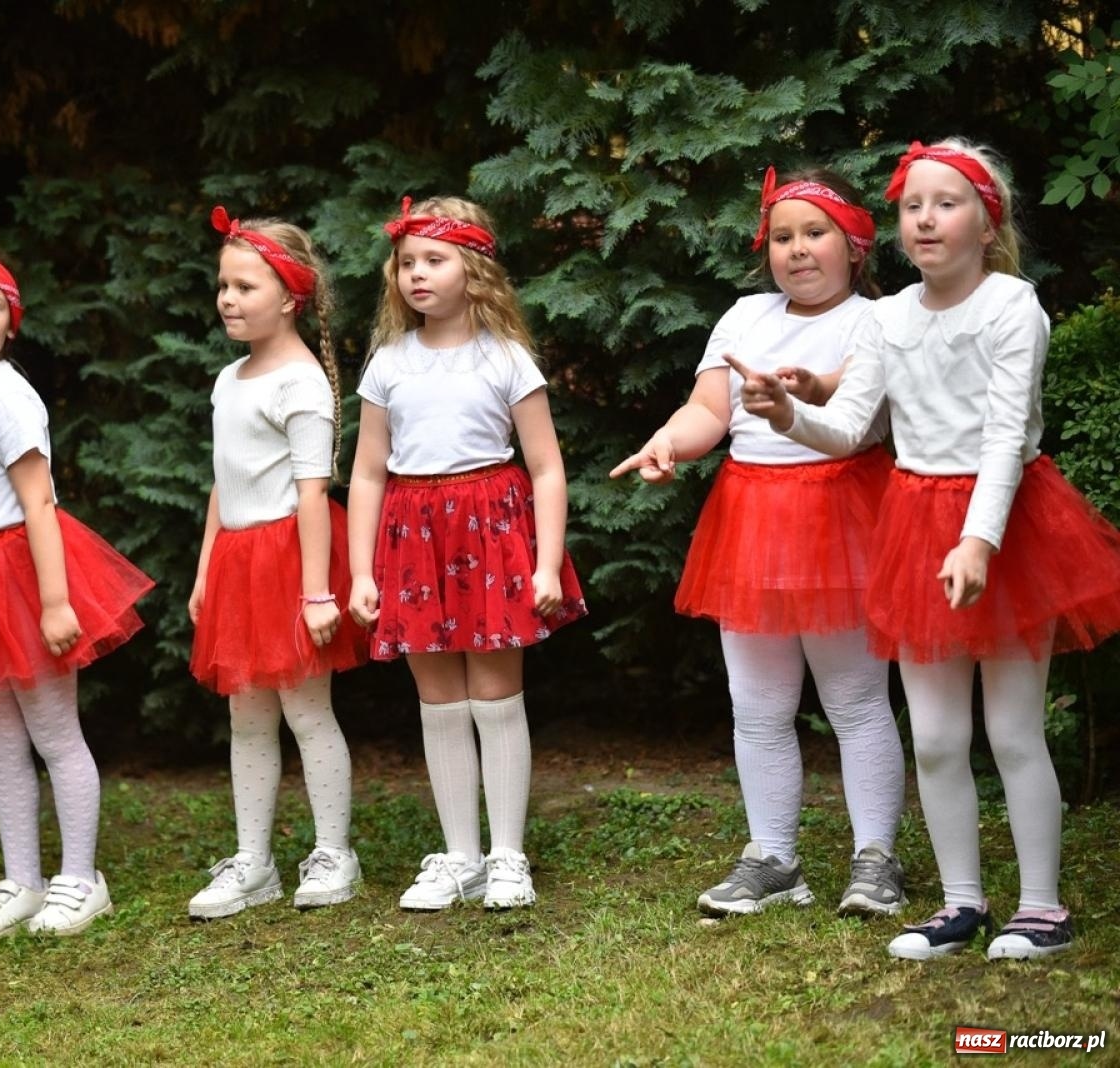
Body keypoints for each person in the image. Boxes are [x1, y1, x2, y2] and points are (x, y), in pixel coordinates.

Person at [733, 140, 1120, 960]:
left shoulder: (1013, 305)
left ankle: (1041, 909)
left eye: (947, 203)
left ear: (988, 222)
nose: (927, 219)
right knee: (937, 737)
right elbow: (851, 428)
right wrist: (786, 416)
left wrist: (979, 540)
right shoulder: (888, 318)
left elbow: (1006, 434)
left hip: (1006, 526)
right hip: (916, 523)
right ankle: (960, 904)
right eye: (913, 206)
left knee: (1011, 731)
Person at [610, 168, 906, 918]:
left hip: (842, 512)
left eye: (815, 233)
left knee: (855, 699)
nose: (796, 250)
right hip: (751, 516)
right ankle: (774, 857)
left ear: (856, 245)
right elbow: (709, 409)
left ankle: (876, 858)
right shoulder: (744, 316)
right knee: (758, 703)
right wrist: (669, 441)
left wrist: (804, 392)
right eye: (781, 237)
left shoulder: (879, 321)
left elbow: (858, 408)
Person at [348, 196, 588, 911]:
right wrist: (360, 571)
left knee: (495, 693)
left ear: (474, 268)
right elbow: (367, 472)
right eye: (406, 263)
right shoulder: (388, 363)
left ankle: (507, 856)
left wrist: (546, 563)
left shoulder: (505, 358)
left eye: (434, 260)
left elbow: (545, 466)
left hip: (491, 531)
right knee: (439, 700)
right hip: (413, 537)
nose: (417, 274)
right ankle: (461, 857)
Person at [0, 246, 153, 941]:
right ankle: (22, 879)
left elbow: (38, 502)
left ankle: (81, 878)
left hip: (20, 572)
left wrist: (54, 600)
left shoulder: (8, 396)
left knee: (53, 733)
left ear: (10, 325)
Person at [185, 208, 370, 919]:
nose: (228, 299)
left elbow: (313, 493)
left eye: (245, 286)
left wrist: (317, 593)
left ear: (290, 297)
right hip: (238, 562)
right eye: (223, 285)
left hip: (292, 562)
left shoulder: (301, 384)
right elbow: (222, 483)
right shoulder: (229, 379)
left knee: (307, 711)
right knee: (248, 717)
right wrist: (206, 570)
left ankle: (334, 852)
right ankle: (253, 861)